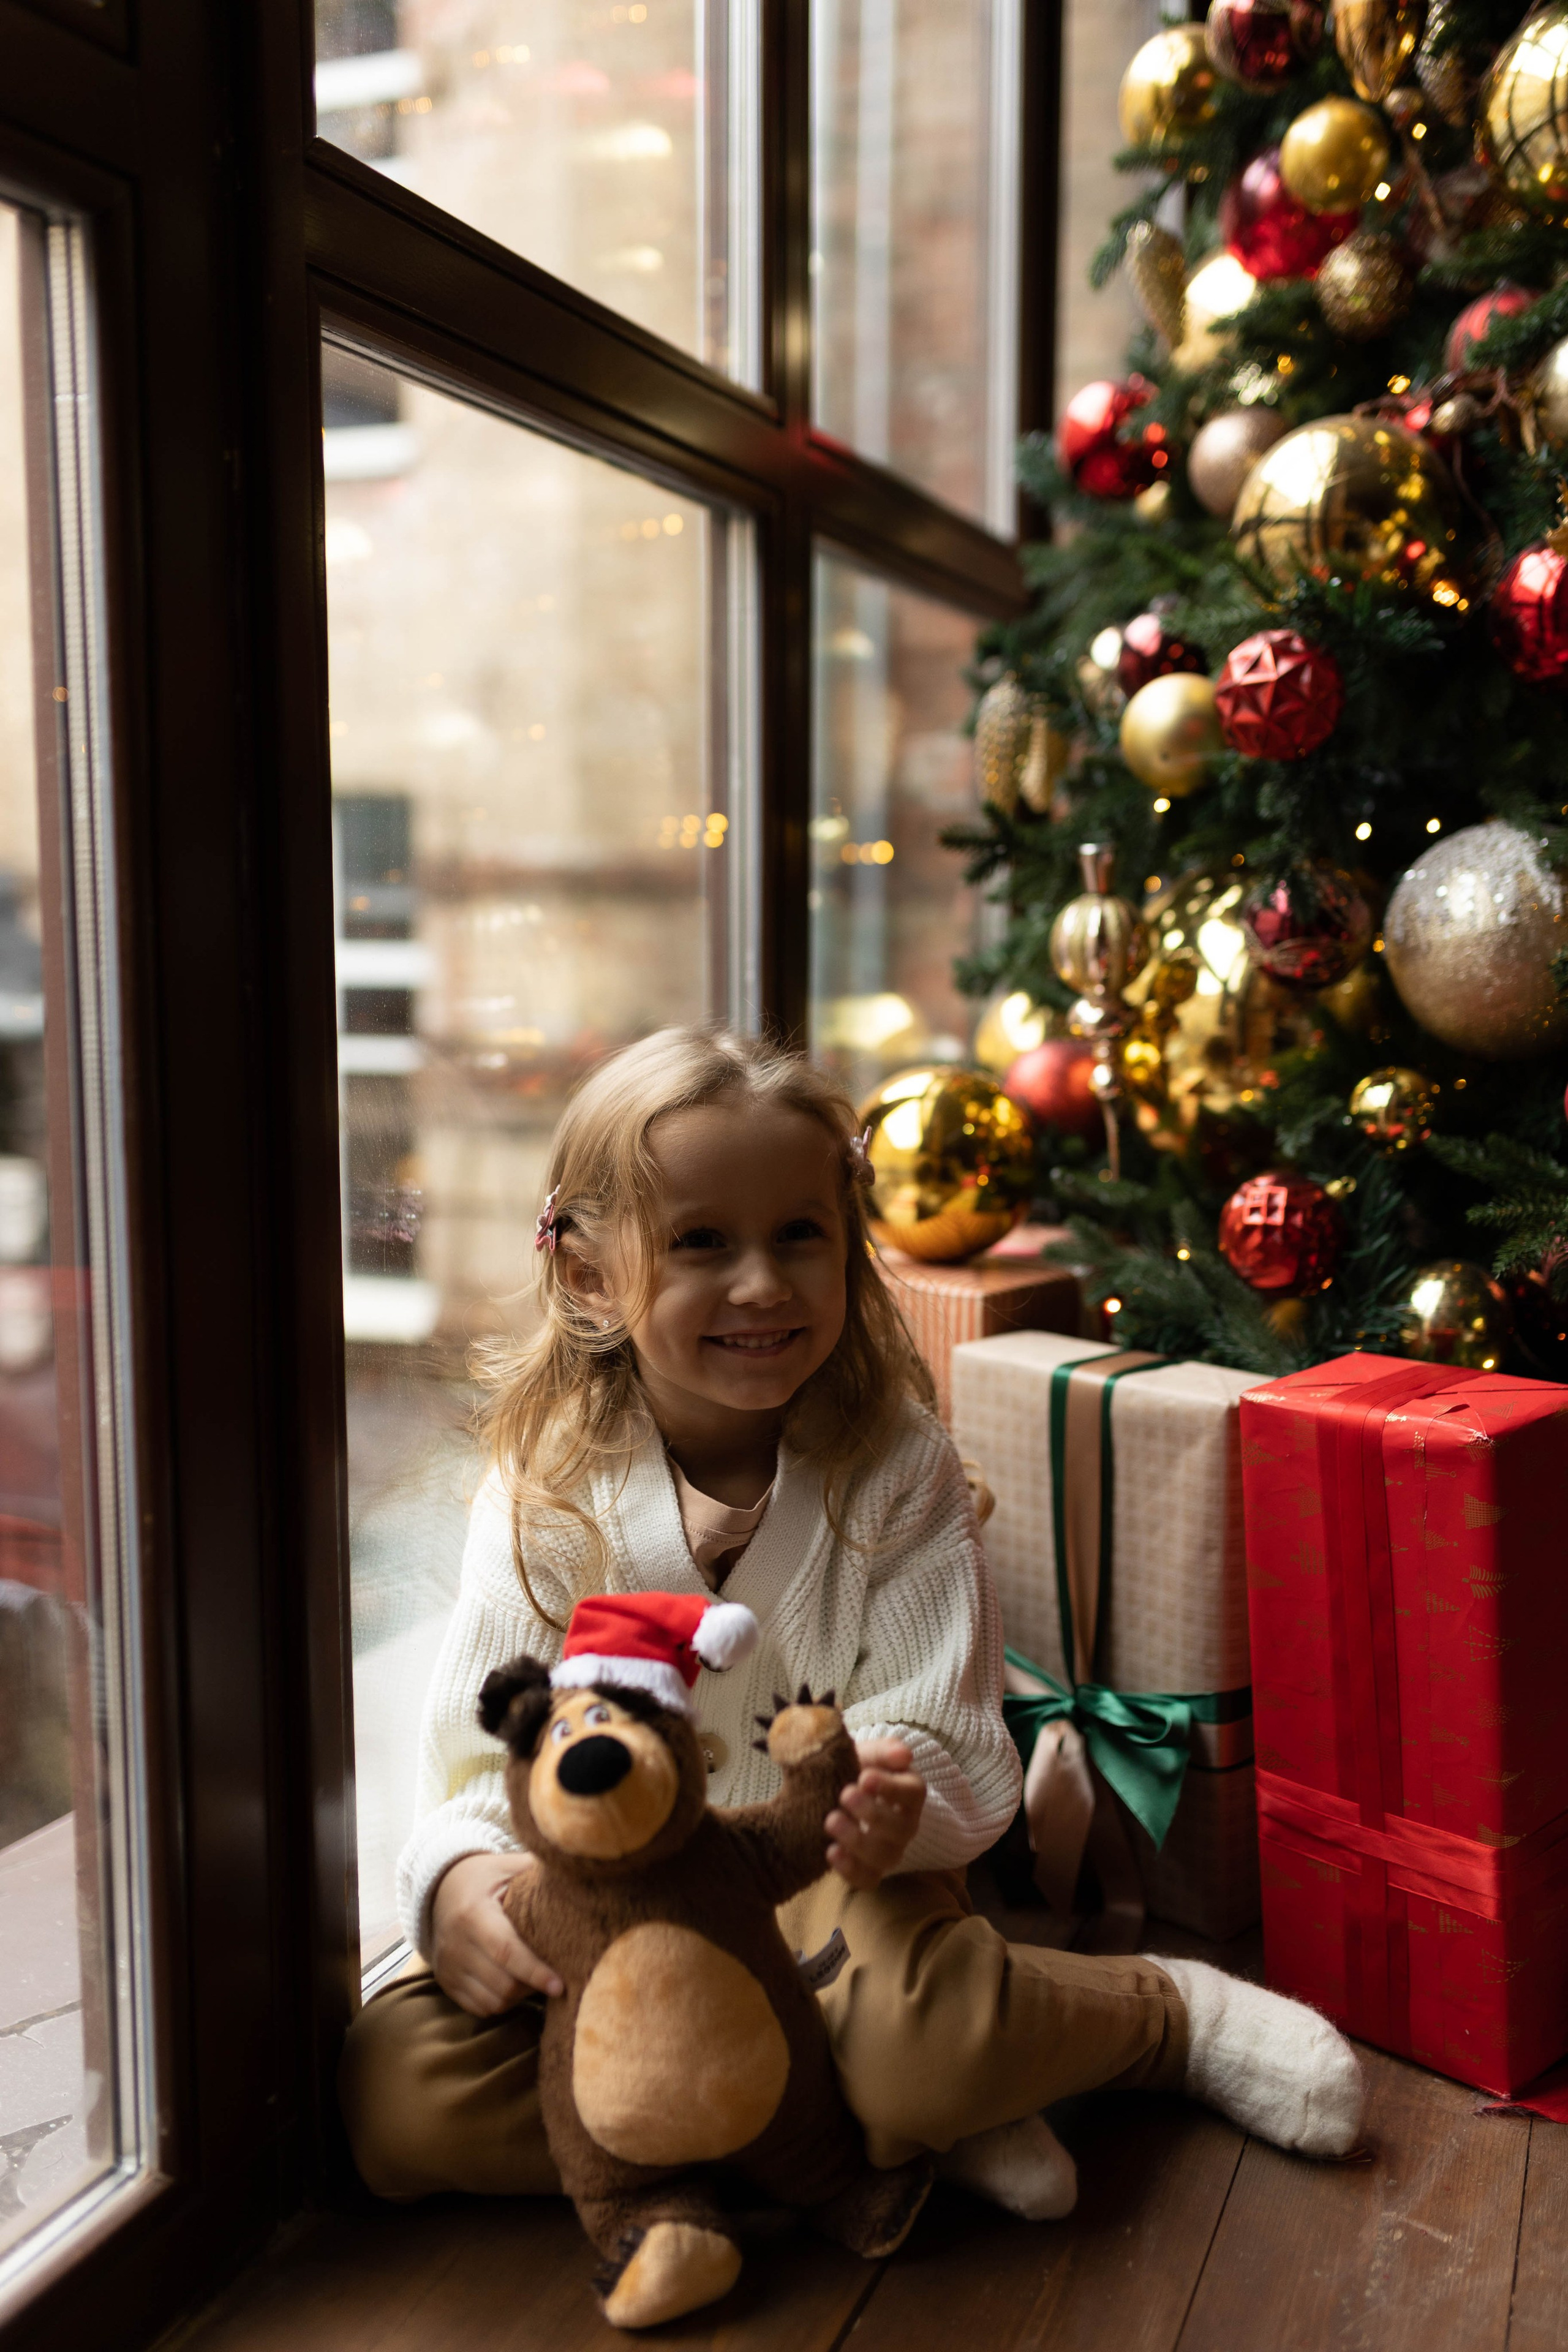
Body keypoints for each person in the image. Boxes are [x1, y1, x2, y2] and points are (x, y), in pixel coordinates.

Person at [340, 1027, 1363, 2221]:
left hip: (834, 1894)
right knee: (398, 2091)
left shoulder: (898, 1471)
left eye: (799, 1235)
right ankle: (864, 2126)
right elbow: (482, 1760)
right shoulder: (544, 1494)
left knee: (918, 2036)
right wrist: (459, 1880)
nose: (762, 1284)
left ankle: (1161, 2020)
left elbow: (955, 1735)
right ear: (589, 1278)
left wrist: (885, 1797)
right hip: (625, 1917)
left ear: (849, 1247)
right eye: (701, 1242)